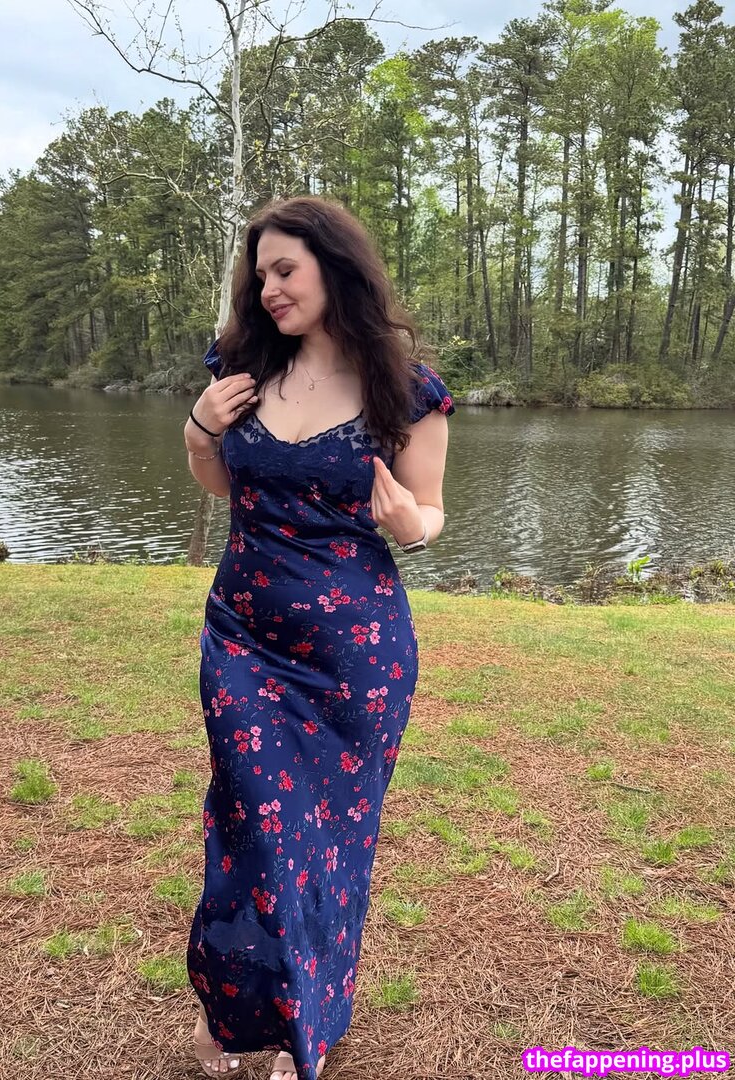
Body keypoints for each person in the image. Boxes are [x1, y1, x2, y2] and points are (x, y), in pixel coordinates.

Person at [183, 195, 454, 1080]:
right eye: (259, 273)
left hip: (353, 657)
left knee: (327, 841)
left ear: (335, 268)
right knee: (249, 827)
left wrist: (412, 524)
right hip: (242, 638)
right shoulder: (242, 368)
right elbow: (222, 486)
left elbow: (429, 513)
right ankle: (234, 1013)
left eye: (285, 269)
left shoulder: (404, 389)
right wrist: (200, 427)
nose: (268, 288)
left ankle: (308, 1022)